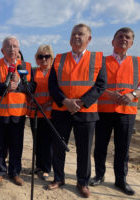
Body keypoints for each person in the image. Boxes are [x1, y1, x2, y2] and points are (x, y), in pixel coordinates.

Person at [48, 23, 107, 198]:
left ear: (89, 38)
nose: (76, 37)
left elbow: (101, 85)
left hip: (86, 112)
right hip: (61, 110)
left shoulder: (98, 58)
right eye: (74, 34)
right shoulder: (59, 58)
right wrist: (66, 101)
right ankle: (58, 178)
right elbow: (53, 85)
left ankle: (83, 182)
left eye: (80, 34)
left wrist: (81, 103)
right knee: (58, 147)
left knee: (84, 150)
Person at [90, 27, 140, 196]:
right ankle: (99, 175)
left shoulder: (138, 62)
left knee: (123, 148)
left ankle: (121, 180)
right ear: (113, 41)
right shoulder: (101, 61)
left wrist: (133, 94)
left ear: (132, 43)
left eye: (127, 38)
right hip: (104, 110)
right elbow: (93, 83)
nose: (123, 39)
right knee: (100, 146)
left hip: (127, 110)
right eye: (120, 37)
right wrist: (105, 93)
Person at [0, 36, 35, 186]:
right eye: (8, 46)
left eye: (15, 46)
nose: (12, 49)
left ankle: (15, 173)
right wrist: (4, 88)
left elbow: (32, 87)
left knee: (16, 145)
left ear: (19, 49)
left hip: (18, 115)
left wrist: (18, 85)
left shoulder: (27, 66)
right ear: (2, 50)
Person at [27, 45, 54, 180]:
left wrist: (47, 104)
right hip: (35, 113)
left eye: (46, 56)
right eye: (40, 56)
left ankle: (46, 168)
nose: (44, 59)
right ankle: (38, 165)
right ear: (37, 59)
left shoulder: (54, 72)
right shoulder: (33, 72)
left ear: (51, 58)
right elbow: (29, 90)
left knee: (47, 142)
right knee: (37, 140)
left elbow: (58, 93)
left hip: (49, 113)